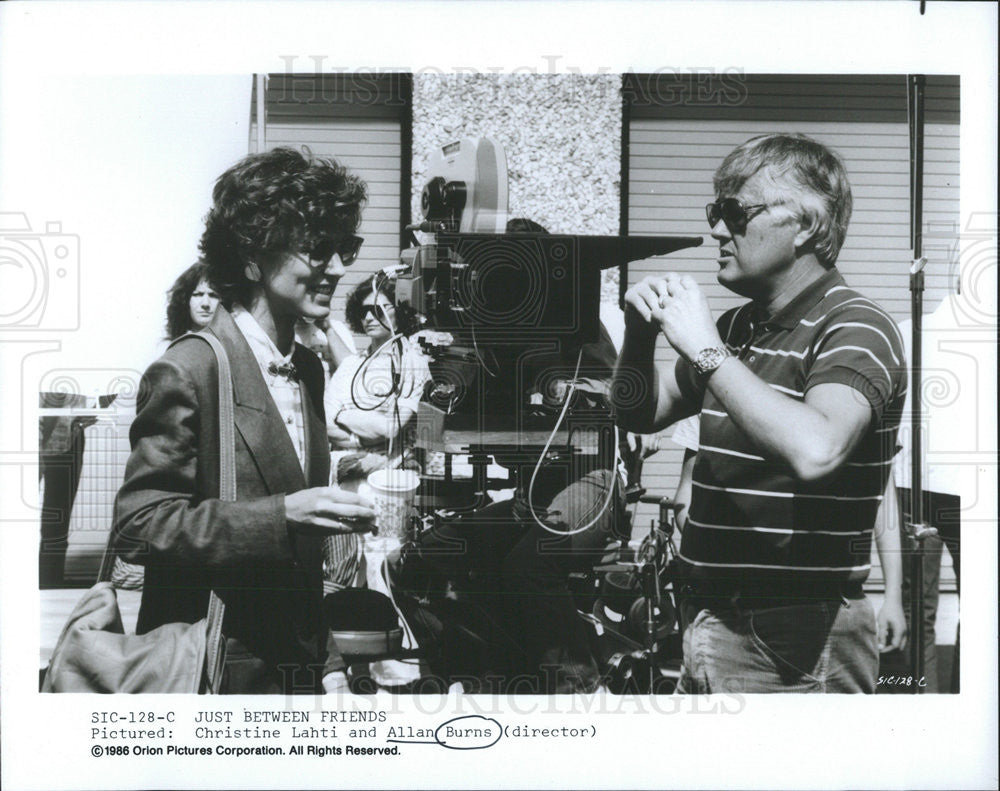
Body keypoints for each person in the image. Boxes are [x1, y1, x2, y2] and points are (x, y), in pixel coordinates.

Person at [612, 133, 906, 693]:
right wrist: (637, 335)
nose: (718, 231)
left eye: (735, 213)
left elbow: (817, 450)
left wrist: (704, 349)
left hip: (792, 632)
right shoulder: (738, 328)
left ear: (806, 226)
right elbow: (639, 414)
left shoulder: (856, 327)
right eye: (714, 212)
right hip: (712, 615)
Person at [112, 146, 374, 695]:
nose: (341, 266)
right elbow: (140, 527)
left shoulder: (307, 368)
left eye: (346, 246)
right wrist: (282, 516)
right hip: (216, 668)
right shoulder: (191, 367)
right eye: (319, 248)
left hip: (296, 664)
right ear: (253, 258)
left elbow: (302, 565)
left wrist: (328, 668)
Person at [393, 219, 628, 694]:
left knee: (529, 565)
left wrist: (564, 389)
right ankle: (480, 668)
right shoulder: (479, 324)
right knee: (416, 561)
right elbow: (442, 394)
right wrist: (416, 448)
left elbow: (610, 392)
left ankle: (578, 687)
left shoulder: (575, 320)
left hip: (590, 483)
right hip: (529, 497)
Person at [165, 260, 220, 340]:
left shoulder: (231, 344)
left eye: (213, 295)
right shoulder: (178, 346)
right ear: (185, 300)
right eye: (198, 295)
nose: (205, 303)